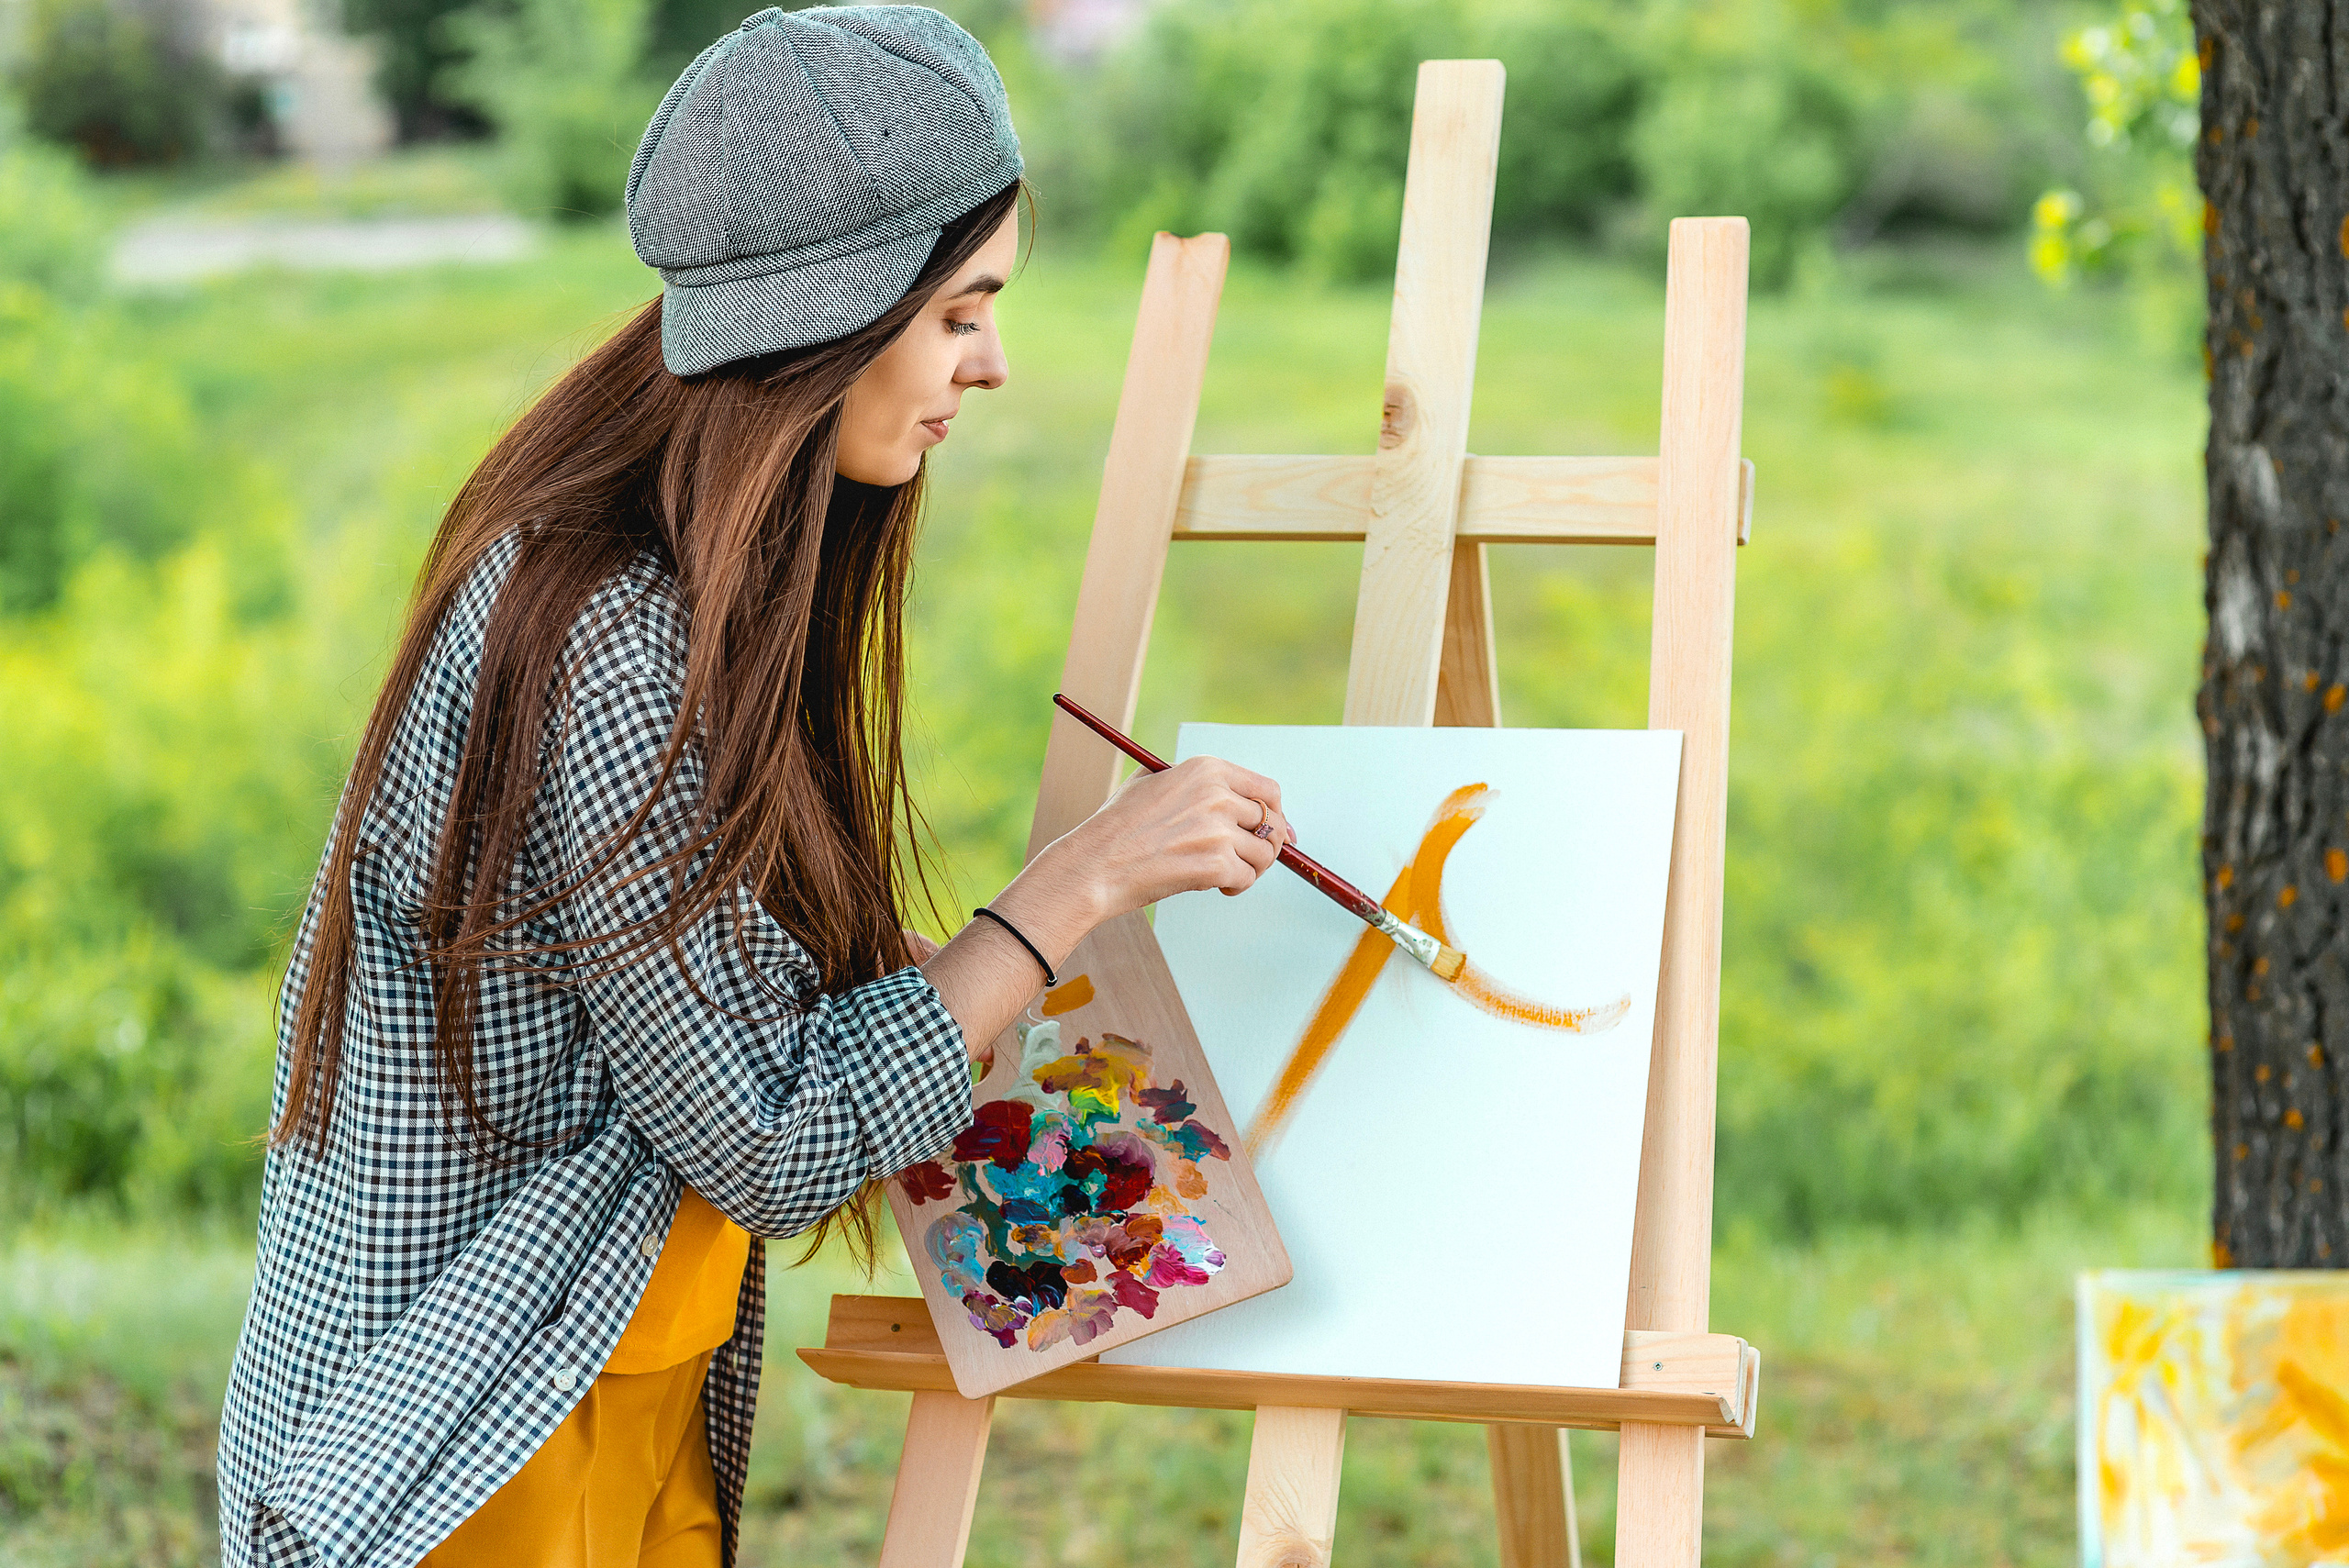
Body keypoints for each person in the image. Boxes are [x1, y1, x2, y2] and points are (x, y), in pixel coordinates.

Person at [213, 8, 1293, 1564]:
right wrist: (1077, 886)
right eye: (959, 314)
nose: (992, 365)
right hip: (478, 1432)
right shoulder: (604, 629)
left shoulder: (682, 584)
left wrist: (916, 986)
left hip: (603, 1380)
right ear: (828, 321)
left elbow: (700, 1025)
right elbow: (767, 1143)